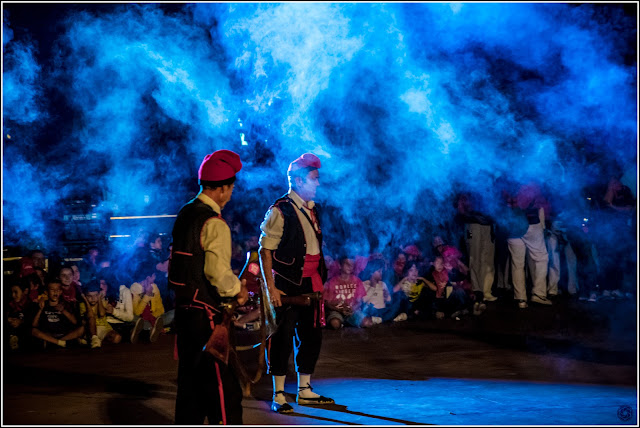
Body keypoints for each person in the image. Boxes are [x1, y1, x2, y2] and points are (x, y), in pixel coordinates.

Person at [170, 149, 248, 425]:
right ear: (223, 188)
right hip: (207, 319)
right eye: (231, 188)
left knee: (190, 390)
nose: (231, 193)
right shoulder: (215, 223)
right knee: (224, 392)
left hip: (184, 314)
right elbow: (216, 274)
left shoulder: (185, 212)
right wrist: (238, 290)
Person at [259, 153, 335, 414]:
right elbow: (264, 251)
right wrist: (271, 290)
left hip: (311, 283)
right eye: (314, 179)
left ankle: (305, 390)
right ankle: (278, 394)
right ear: (299, 181)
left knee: (312, 336)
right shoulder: (279, 210)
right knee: (280, 338)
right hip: (286, 285)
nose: (318, 183)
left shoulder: (313, 208)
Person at [31, 279, 85, 349]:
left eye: (58, 290)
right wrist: (40, 309)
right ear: (47, 292)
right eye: (52, 290)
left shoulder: (65, 304)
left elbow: (75, 322)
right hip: (49, 335)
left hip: (64, 335)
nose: (55, 292)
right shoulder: (43, 304)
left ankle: (55, 342)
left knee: (82, 329)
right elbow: (34, 325)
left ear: (61, 292)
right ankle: (59, 343)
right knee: (34, 331)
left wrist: (63, 311)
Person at [323, 256, 371, 329]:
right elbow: (327, 303)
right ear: (340, 266)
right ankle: (343, 322)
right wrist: (340, 309)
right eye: (347, 264)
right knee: (335, 324)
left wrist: (353, 308)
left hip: (352, 311)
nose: (350, 266)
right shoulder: (332, 281)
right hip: (336, 311)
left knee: (367, 323)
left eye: (352, 264)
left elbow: (360, 301)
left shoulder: (357, 281)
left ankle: (348, 321)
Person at [130, 260, 165, 344]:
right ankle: (151, 329)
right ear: (147, 277)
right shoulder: (135, 289)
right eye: (153, 276)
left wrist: (154, 317)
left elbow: (161, 309)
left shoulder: (154, 287)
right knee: (136, 320)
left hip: (154, 317)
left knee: (173, 314)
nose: (154, 278)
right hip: (140, 319)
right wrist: (147, 295)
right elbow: (137, 312)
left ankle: (151, 328)